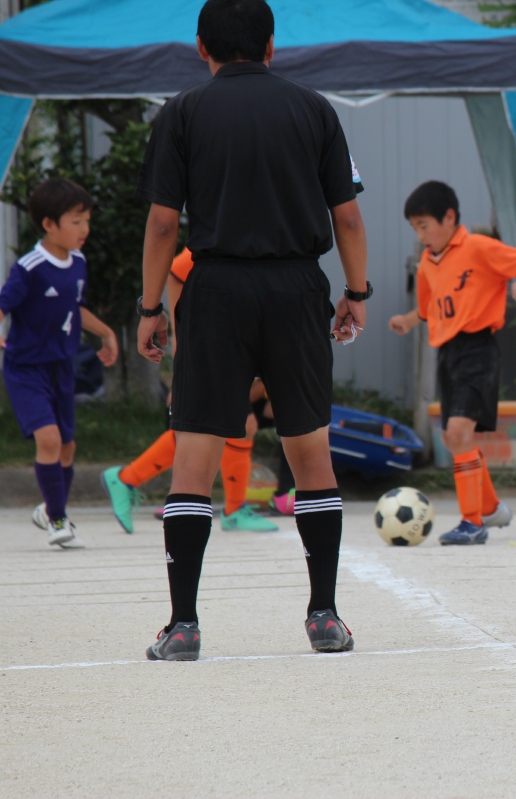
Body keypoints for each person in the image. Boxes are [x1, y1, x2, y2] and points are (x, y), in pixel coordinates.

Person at [135, 0, 369, 661]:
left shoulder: (181, 112)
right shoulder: (315, 110)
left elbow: (163, 223)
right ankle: (324, 615)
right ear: (271, 47)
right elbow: (348, 218)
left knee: (195, 454)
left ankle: (183, 625)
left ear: (201, 47)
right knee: (310, 450)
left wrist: (151, 307)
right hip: (297, 287)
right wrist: (356, 292)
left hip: (214, 288)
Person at [388, 181, 516, 545]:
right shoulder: (427, 263)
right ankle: (491, 508)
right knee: (453, 437)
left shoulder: (478, 247)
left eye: (424, 225)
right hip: (448, 354)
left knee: (457, 434)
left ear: (449, 218)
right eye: (415, 228)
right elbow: (429, 307)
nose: (420, 234)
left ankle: (472, 523)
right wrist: (409, 320)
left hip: (478, 350)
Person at [101, 247, 278, 533]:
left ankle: (127, 478)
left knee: (226, 424)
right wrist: (184, 350)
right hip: (211, 337)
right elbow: (177, 271)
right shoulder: (227, 230)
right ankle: (232, 510)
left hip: (230, 336)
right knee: (224, 424)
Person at [0, 178, 118, 548]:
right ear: (49, 224)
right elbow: (4, 304)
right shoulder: (30, 267)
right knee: (49, 439)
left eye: (87, 221)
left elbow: (74, 308)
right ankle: (58, 519)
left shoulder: (78, 263)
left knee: (68, 447)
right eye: (76, 221)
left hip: (61, 366)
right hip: (26, 368)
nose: (85, 229)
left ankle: (50, 510)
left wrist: (106, 333)